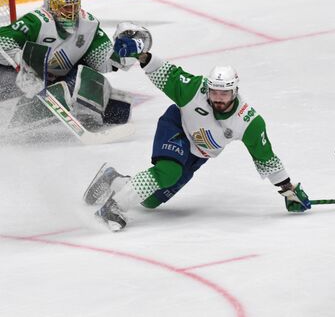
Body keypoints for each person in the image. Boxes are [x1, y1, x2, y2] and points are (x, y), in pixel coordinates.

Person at [82, 24, 311, 231]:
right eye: (214, 92)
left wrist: (288, 190)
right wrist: (140, 55)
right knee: (169, 172)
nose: (218, 98)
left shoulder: (248, 122)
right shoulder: (194, 89)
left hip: (198, 154)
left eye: (224, 93)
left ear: (235, 91)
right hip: (176, 127)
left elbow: (265, 158)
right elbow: (166, 73)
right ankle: (112, 208)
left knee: (150, 201)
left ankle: (111, 179)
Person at [0, 0, 137, 127]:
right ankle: (16, 119)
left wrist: (126, 51)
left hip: (57, 79)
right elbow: (3, 38)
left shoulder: (88, 25)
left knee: (88, 80)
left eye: (74, 7)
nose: (71, 13)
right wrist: (21, 61)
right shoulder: (37, 21)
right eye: (65, 8)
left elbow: (104, 61)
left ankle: (89, 113)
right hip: (22, 78)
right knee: (9, 84)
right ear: (52, 7)